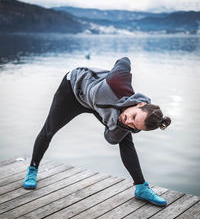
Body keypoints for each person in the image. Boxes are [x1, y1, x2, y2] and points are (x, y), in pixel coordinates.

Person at [23, 57, 171, 206]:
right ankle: (32, 169)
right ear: (140, 104)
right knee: (48, 130)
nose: (129, 122)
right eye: (133, 117)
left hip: (97, 106)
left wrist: (122, 127)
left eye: (135, 126)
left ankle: (141, 187)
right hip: (74, 88)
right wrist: (111, 75)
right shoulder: (117, 82)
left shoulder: (126, 122)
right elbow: (124, 60)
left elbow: (111, 139)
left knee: (126, 140)